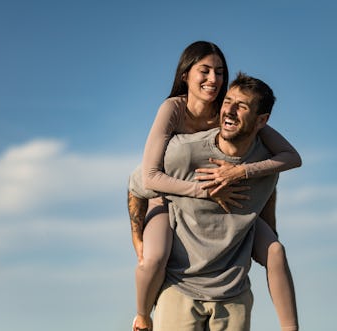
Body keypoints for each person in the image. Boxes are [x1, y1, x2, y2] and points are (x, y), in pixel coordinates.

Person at [128, 41, 301, 331]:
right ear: (185, 74)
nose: (213, 79)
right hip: (169, 194)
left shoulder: (233, 112)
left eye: (220, 72)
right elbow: (148, 178)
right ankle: (143, 317)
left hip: (230, 208)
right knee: (153, 258)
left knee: (275, 251)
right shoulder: (174, 110)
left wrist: (240, 173)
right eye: (204, 71)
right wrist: (205, 190)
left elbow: (289, 160)